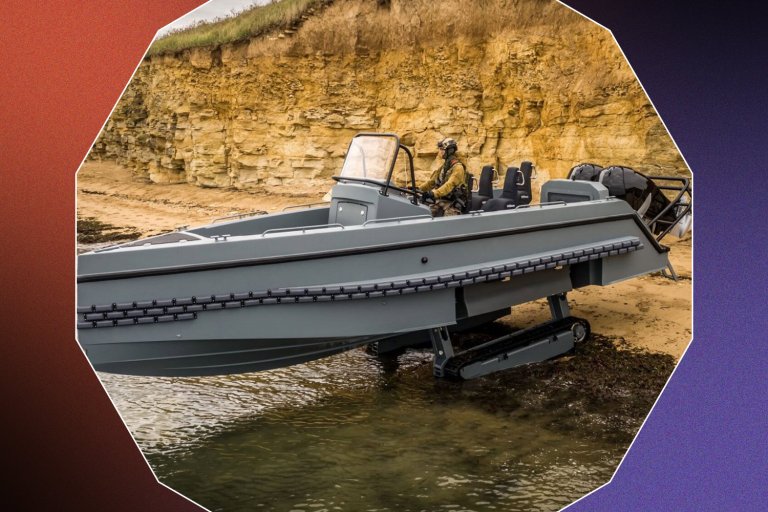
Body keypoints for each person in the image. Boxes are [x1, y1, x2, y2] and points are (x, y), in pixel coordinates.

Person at [419, 138, 469, 217]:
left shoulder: (458, 168)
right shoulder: (445, 166)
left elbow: (449, 185)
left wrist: (434, 193)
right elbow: (432, 182)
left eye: (442, 149)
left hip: (453, 203)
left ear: (450, 151)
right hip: (442, 200)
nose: (439, 152)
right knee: (424, 212)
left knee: (447, 222)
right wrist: (418, 189)